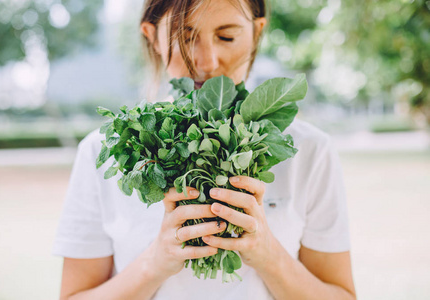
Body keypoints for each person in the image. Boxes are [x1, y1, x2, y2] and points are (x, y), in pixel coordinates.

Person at [53, 0, 357, 299]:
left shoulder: (310, 151)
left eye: (227, 36)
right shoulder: (108, 150)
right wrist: (155, 262)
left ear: (256, 34)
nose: (207, 61)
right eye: (184, 38)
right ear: (152, 37)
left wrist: (267, 254)